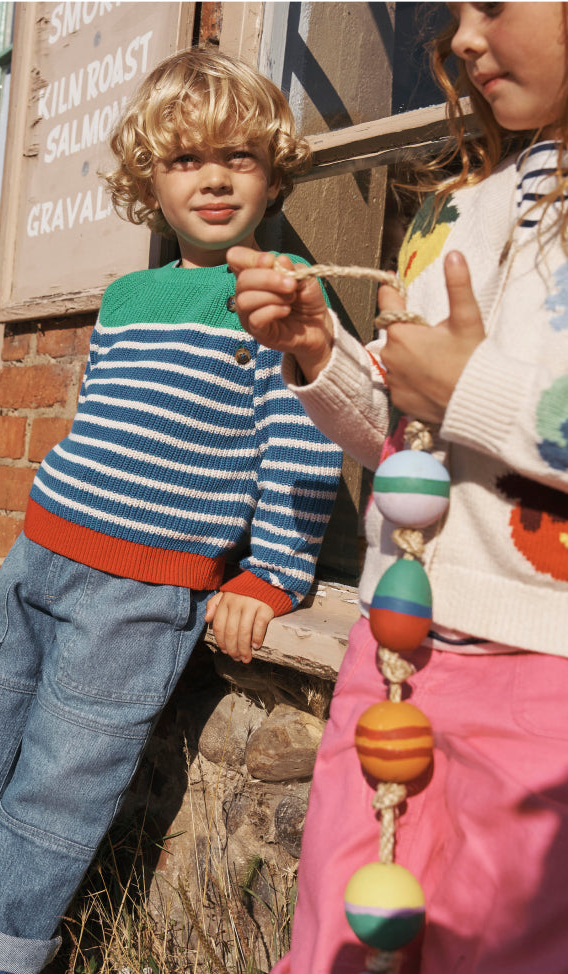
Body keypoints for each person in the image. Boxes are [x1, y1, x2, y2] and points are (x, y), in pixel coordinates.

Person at [0, 50, 342, 974]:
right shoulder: (128, 296)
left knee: (61, 787)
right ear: (148, 176)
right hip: (45, 552)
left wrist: (272, 573)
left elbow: (308, 439)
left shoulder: (278, 294)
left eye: (238, 157)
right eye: (187, 158)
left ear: (274, 169)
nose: (214, 177)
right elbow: (102, 417)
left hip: (140, 593)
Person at [228, 4, 568, 973]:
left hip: (546, 689)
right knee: (338, 944)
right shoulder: (453, 206)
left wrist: (474, 391)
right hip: (392, 669)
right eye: (455, 9)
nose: (461, 37)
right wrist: (317, 353)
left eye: (494, 5)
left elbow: (466, 402)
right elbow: (405, 436)